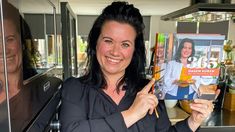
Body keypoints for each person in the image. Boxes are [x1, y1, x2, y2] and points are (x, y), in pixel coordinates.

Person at [60, 1, 218, 132]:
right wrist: (132, 114)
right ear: (96, 43)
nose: (115, 51)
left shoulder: (150, 89)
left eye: (125, 44)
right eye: (108, 40)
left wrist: (193, 121)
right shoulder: (75, 88)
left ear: (135, 50)